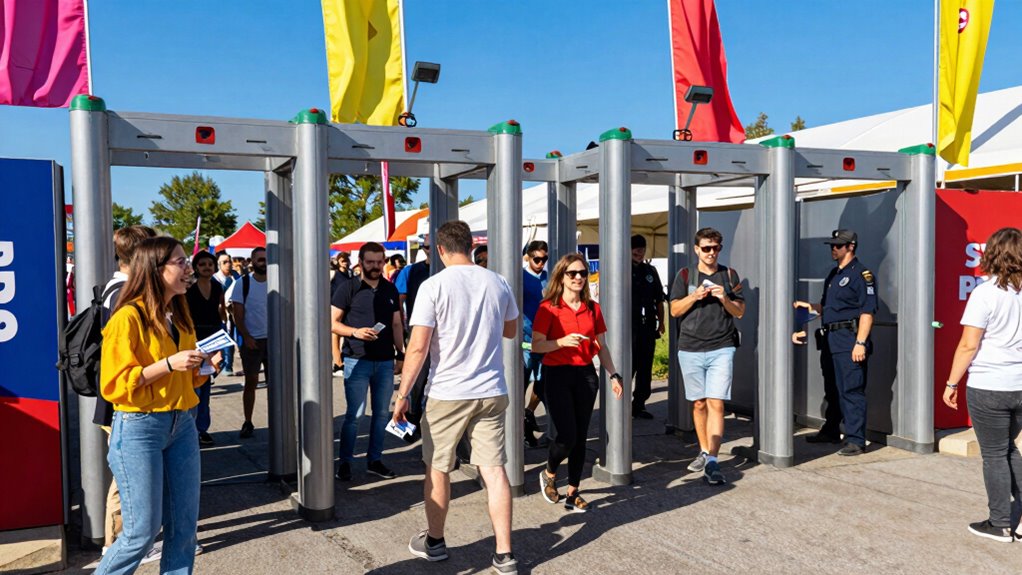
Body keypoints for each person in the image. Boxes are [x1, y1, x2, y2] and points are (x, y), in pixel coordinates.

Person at [392, 221, 520, 574]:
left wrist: (403, 394)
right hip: (492, 388)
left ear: (440, 249)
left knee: (437, 469)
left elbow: (417, 347)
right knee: (494, 470)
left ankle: (435, 542)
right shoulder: (498, 281)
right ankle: (504, 553)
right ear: (470, 246)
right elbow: (510, 331)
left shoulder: (434, 286)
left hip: (447, 392)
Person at [95, 236, 219, 575]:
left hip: (182, 423)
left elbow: (188, 379)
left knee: (184, 529)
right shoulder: (127, 317)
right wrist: (169, 364)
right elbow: (114, 384)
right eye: (180, 262)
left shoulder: (179, 315)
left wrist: (203, 366)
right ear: (154, 269)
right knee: (140, 532)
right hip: (139, 427)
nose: (188, 268)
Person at [942, 228, 1022, 542]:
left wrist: (951, 382)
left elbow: (967, 345)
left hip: (989, 384)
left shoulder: (985, 292)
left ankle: (1000, 522)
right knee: (1008, 449)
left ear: (991, 254)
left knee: (993, 454)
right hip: (1020, 384)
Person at [531, 253, 623, 513]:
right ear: (561, 276)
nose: (579, 278)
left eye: (583, 273)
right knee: (566, 436)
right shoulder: (548, 307)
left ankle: (573, 492)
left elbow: (601, 346)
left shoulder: (592, 308)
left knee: (580, 437)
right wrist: (561, 342)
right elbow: (537, 345)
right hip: (557, 374)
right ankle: (549, 472)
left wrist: (613, 375)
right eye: (573, 273)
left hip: (585, 375)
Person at [95, 225, 156, 556]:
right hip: (123, 402)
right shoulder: (122, 295)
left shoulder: (118, 289)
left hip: (123, 401)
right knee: (127, 480)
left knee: (130, 478)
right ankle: (116, 545)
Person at [669, 227, 745, 485]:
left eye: (715, 248)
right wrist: (694, 296)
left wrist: (724, 298)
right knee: (699, 403)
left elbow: (740, 312)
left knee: (717, 403)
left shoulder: (729, 275)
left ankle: (712, 460)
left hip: (721, 346)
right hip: (690, 347)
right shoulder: (685, 274)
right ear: (697, 249)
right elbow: (674, 311)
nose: (711, 253)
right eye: (706, 248)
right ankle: (703, 449)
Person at [794, 229, 876, 456]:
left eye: (838, 245)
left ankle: (856, 440)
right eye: (832, 245)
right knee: (832, 389)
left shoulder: (862, 274)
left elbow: (867, 312)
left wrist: (860, 343)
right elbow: (828, 308)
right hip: (830, 339)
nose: (833, 249)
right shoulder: (834, 275)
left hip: (849, 339)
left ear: (851, 247)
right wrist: (808, 307)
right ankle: (831, 430)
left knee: (851, 389)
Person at [331, 242, 404, 481]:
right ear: (360, 262)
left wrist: (401, 354)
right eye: (370, 262)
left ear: (385, 262)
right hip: (357, 360)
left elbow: (396, 324)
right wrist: (354, 332)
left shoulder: (390, 289)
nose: (375, 266)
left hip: (384, 361)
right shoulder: (347, 288)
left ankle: (374, 460)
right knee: (355, 415)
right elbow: (331, 322)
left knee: (382, 413)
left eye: (379, 262)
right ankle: (345, 463)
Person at [225, 247, 269, 439]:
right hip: (252, 341)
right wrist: (247, 337)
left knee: (277, 384)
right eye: (260, 259)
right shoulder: (242, 284)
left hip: (274, 341)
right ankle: (248, 420)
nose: (263, 262)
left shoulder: (278, 282)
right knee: (251, 381)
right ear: (252, 261)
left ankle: (277, 420)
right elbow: (237, 314)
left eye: (266, 259)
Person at [185, 251, 228, 447]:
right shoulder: (189, 288)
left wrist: (220, 345)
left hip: (213, 338)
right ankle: (190, 429)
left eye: (210, 264)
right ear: (195, 267)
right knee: (194, 386)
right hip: (192, 338)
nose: (207, 267)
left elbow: (220, 312)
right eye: (202, 264)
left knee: (206, 385)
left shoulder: (218, 286)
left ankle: (202, 429)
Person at [395, 243, 433, 436]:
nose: (429, 249)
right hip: (419, 328)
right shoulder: (411, 271)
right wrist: (401, 324)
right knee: (417, 377)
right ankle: (410, 423)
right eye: (426, 245)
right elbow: (399, 298)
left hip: (446, 333)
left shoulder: (448, 271)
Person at [629, 234, 665, 419]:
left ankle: (639, 404)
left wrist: (662, 322)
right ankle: (620, 404)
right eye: (636, 249)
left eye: (642, 249)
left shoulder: (650, 271)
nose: (639, 252)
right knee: (629, 366)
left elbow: (659, 298)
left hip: (647, 326)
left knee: (645, 366)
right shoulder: (622, 270)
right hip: (628, 327)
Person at [522, 240, 549, 447]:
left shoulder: (549, 279)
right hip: (526, 341)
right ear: (527, 258)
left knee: (543, 382)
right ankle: (521, 427)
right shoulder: (521, 278)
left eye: (544, 259)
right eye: (537, 259)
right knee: (522, 383)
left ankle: (528, 413)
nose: (540, 263)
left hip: (546, 340)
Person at [213, 251, 239, 376]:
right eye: (225, 262)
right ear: (219, 265)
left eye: (229, 261)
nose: (228, 264)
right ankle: (223, 365)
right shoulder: (214, 279)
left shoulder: (236, 277)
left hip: (235, 313)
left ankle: (229, 365)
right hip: (220, 315)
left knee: (234, 340)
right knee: (223, 340)